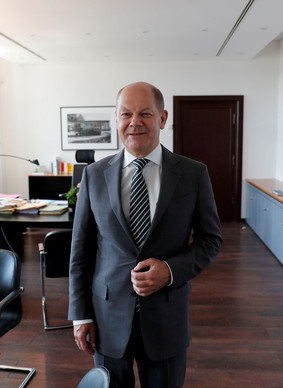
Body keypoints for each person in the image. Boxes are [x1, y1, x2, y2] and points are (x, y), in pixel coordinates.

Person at [68, 81, 222, 387]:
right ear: (116, 120)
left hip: (166, 319)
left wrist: (170, 270)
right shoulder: (94, 174)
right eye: (125, 114)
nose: (134, 122)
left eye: (145, 114)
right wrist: (80, 315)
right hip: (107, 318)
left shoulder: (193, 174)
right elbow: (81, 249)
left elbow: (210, 240)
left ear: (162, 118)